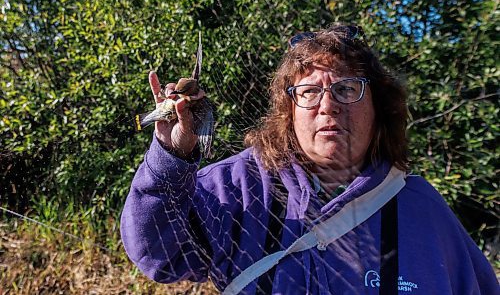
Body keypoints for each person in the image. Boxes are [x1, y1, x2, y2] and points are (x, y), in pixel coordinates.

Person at [120, 24, 498, 294]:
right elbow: (160, 256)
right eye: (309, 91)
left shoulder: (422, 211)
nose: (328, 106)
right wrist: (170, 156)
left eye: (347, 88)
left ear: (379, 107)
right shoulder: (237, 189)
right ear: (289, 109)